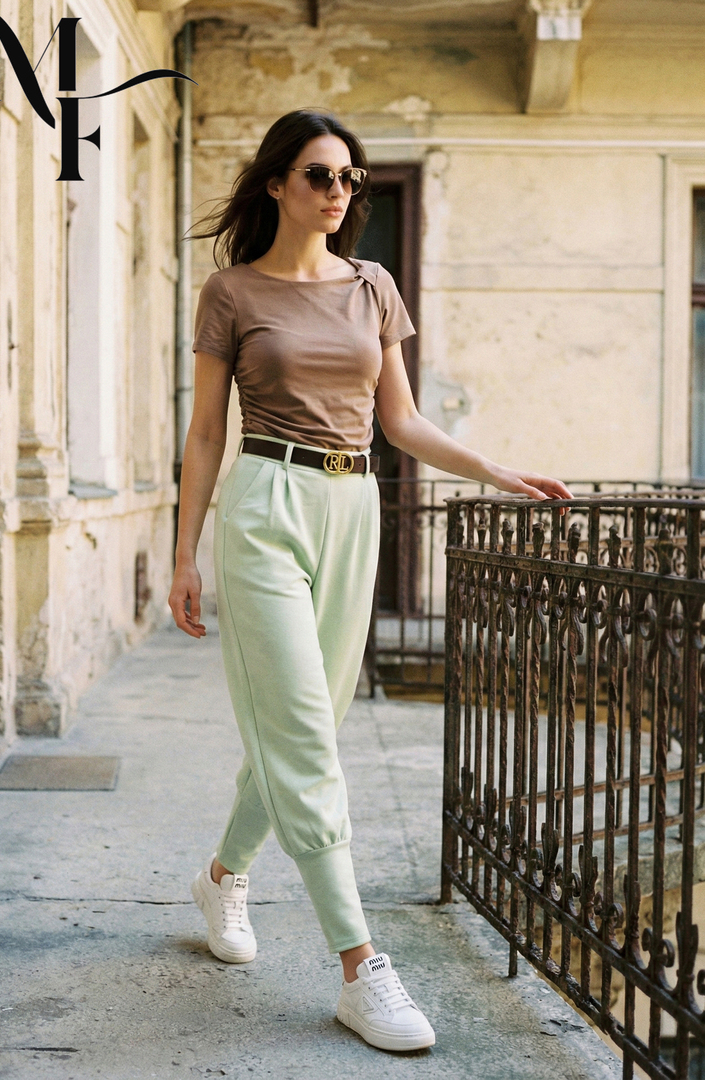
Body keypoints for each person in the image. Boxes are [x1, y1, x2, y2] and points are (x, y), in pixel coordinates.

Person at [168, 108, 572, 1053]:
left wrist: (494, 470)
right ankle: (360, 966)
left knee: (309, 721)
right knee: (304, 735)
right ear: (277, 183)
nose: (338, 192)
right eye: (320, 174)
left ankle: (223, 876)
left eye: (349, 178)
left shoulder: (372, 286)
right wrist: (185, 552)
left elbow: (403, 421)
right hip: (264, 501)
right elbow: (205, 432)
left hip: (354, 507)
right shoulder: (231, 291)